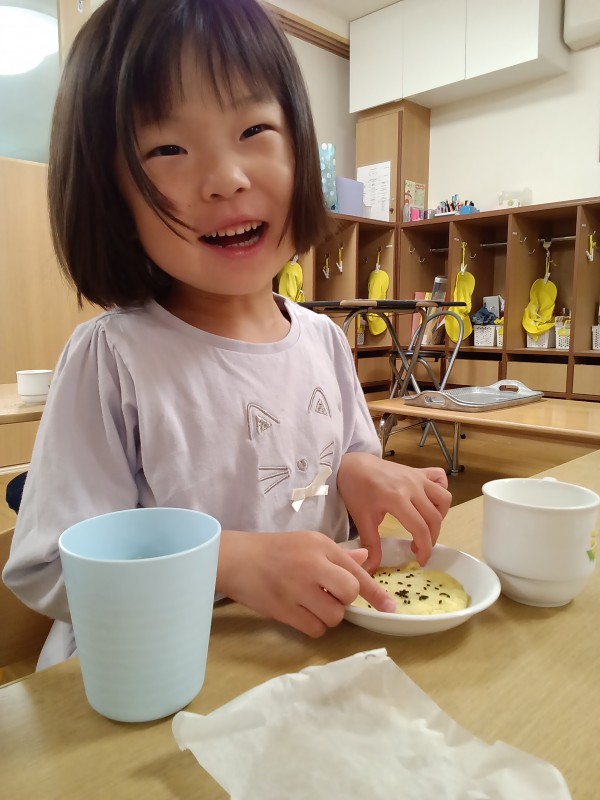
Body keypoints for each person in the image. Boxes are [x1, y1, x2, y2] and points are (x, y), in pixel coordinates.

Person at [3, 0, 451, 669]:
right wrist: (228, 561)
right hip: (150, 681)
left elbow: (335, 465)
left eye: (254, 129)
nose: (226, 179)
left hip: (297, 662)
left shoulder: (323, 340)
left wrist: (360, 473)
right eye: (168, 149)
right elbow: (48, 567)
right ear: (110, 192)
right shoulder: (114, 359)